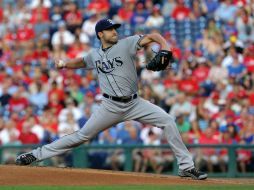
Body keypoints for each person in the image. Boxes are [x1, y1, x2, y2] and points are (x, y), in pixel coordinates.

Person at [16, 18, 207, 180]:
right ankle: (34, 155)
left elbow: (153, 36)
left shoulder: (127, 43)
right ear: (100, 34)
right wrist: (65, 64)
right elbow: (82, 62)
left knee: (168, 121)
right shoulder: (95, 55)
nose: (114, 31)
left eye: (115, 28)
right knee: (81, 136)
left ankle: (185, 166)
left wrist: (165, 47)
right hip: (110, 106)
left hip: (135, 103)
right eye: (110, 29)